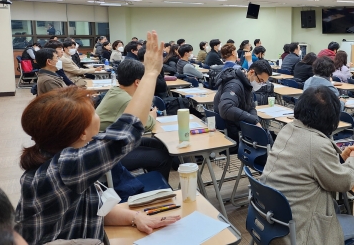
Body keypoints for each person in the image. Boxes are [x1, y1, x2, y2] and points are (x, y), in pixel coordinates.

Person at [15, 31, 180, 245]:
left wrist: (135, 217)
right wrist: (150, 73)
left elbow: (94, 209)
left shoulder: (63, 155)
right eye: (92, 111)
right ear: (82, 132)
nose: (98, 113)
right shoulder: (65, 167)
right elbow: (125, 133)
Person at [261, 86, 354, 245]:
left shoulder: (287, 129)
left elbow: (310, 166)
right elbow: (345, 182)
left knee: (335, 210)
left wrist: (339, 158)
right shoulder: (317, 144)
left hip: (272, 222)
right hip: (298, 233)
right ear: (332, 120)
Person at [95, 59, 172, 181]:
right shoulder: (126, 99)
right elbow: (146, 125)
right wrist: (151, 115)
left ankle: (154, 181)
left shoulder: (116, 90)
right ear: (137, 82)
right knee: (161, 158)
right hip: (107, 152)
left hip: (111, 142)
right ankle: (158, 191)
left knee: (158, 145)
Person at [213, 60, 272, 152]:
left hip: (235, 127)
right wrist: (253, 120)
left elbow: (251, 107)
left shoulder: (246, 83)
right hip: (231, 133)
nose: (261, 84)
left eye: (263, 82)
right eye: (260, 80)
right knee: (270, 139)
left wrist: (255, 121)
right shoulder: (235, 85)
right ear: (252, 72)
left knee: (269, 136)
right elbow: (226, 108)